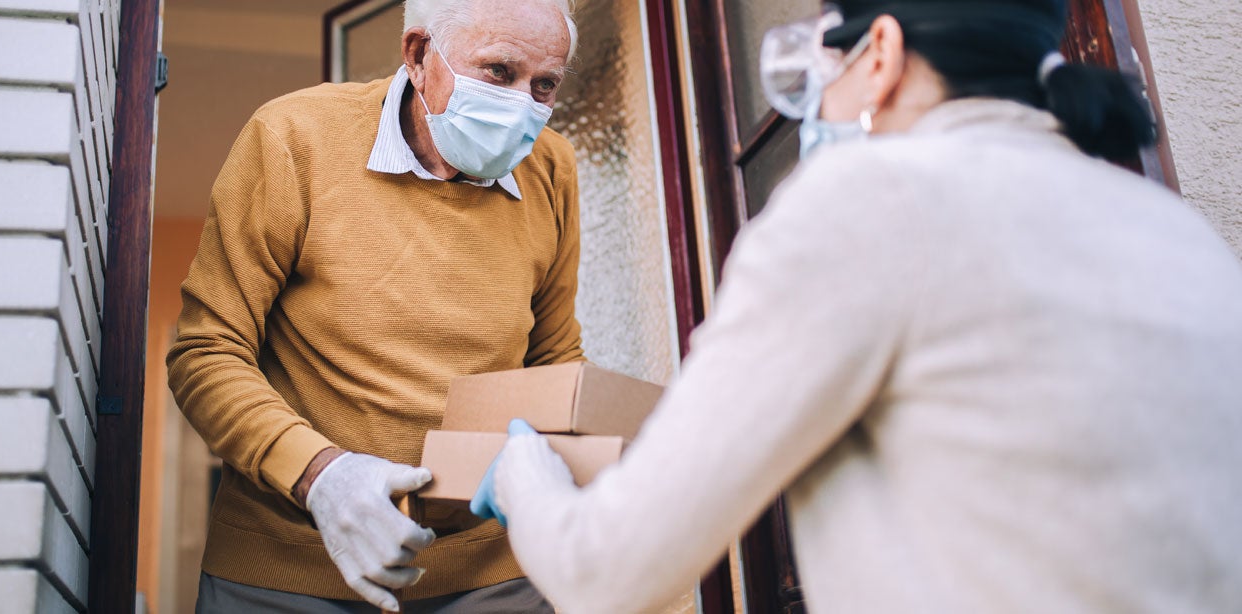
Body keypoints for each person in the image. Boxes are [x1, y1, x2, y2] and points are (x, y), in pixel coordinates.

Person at [472, 0, 1242, 612]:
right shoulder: (1172, 228)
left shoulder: (866, 203)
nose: (817, 105)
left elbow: (604, 570)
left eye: (824, 70)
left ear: (880, 54)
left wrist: (521, 475)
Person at [166, 0, 583, 611]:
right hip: (286, 564)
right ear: (418, 56)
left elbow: (553, 357)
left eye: (544, 84)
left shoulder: (553, 169)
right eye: (499, 72)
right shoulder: (293, 136)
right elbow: (206, 351)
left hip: (493, 569)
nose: (523, 104)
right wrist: (323, 477)